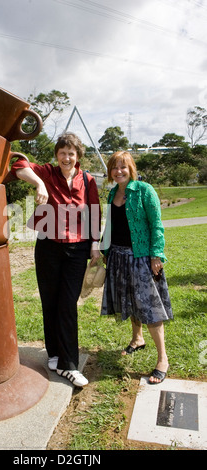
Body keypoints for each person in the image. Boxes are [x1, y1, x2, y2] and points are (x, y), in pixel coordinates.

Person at [11, 132, 101, 387]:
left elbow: (94, 213)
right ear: (57, 155)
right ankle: (54, 353)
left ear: (78, 156)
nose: (66, 157)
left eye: (71, 153)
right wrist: (39, 184)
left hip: (77, 249)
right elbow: (18, 165)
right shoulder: (47, 173)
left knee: (67, 304)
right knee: (49, 300)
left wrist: (95, 245)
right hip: (48, 246)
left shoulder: (88, 180)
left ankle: (68, 364)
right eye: (62, 152)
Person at [100, 151, 173, 384]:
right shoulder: (112, 194)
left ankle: (163, 358)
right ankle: (137, 339)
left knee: (150, 306)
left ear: (131, 168)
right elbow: (110, 226)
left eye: (123, 167)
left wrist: (157, 255)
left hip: (141, 257)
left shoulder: (145, 191)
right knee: (129, 302)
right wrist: (106, 251)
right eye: (114, 167)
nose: (118, 171)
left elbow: (156, 225)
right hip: (118, 257)